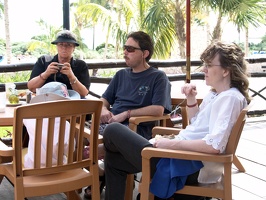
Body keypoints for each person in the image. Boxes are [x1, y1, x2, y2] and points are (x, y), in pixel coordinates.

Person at [102, 41, 251, 200]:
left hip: (189, 165)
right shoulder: (218, 95)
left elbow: (214, 145)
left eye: (209, 65)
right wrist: (191, 98)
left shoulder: (230, 98)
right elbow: (197, 126)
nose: (204, 69)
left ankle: (97, 151)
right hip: (182, 158)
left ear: (226, 71)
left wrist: (168, 144)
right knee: (113, 160)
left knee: (113, 130)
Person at [83, 31, 172, 199]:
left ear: (145, 53)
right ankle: (100, 158)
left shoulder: (158, 77)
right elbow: (103, 100)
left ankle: (98, 151)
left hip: (134, 134)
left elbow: (159, 110)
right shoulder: (121, 75)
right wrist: (103, 109)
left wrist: (126, 114)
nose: (125, 52)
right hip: (109, 127)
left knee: (112, 130)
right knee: (73, 135)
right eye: (125, 48)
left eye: (130, 49)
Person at [23, 81, 80, 168]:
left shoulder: (30, 119)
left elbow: (24, 116)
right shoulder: (65, 125)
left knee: (23, 152)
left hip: (32, 168)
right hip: (59, 169)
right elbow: (69, 150)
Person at [27, 30, 90, 98]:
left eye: (68, 45)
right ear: (57, 46)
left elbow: (84, 93)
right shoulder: (44, 61)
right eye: (61, 44)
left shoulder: (80, 65)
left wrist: (71, 76)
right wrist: (46, 74)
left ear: (74, 48)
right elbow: (31, 87)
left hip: (72, 103)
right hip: (47, 101)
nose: (64, 48)